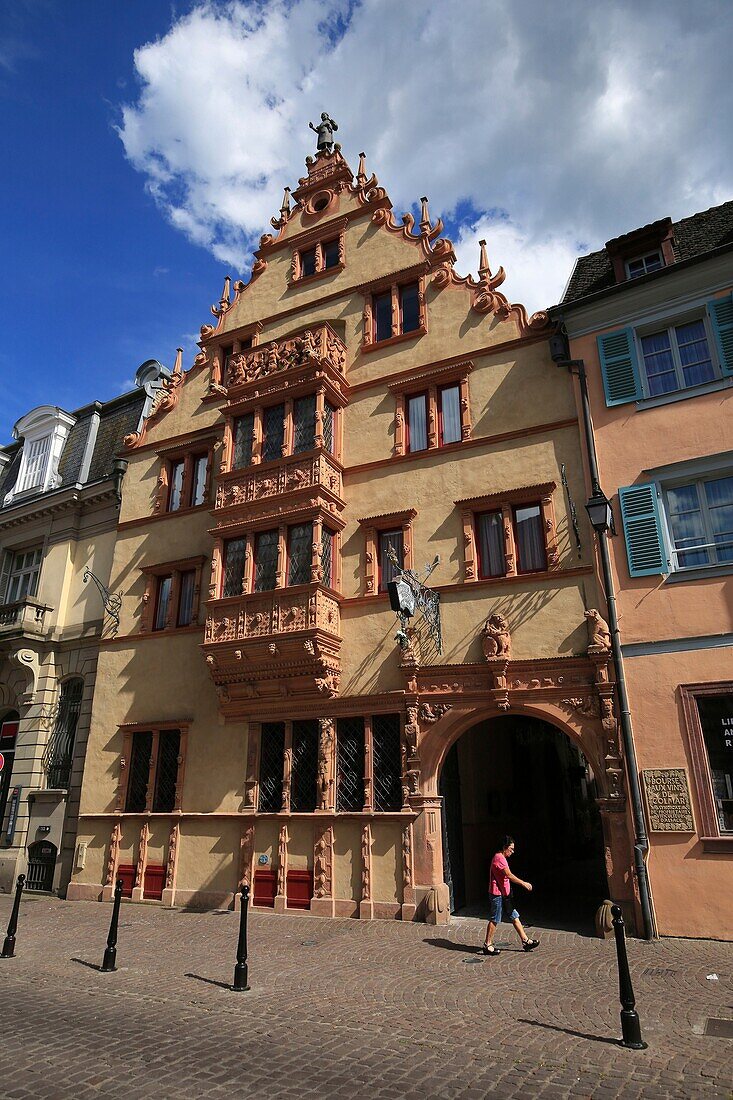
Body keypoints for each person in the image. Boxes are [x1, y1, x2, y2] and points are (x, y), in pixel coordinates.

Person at [482, 835, 539, 956]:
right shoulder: (499, 858)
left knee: (514, 915)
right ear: (504, 847)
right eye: (511, 849)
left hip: (504, 895)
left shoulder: (501, 857)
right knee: (495, 919)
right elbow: (509, 875)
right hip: (498, 894)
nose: (513, 851)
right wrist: (524, 883)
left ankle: (525, 941)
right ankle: (487, 944)